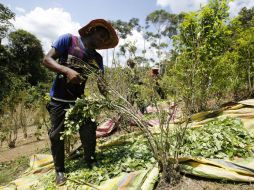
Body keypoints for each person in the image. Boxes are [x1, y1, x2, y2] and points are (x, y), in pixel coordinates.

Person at [43, 19, 118, 185]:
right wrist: (67, 70)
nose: (102, 40)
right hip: (59, 100)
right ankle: (60, 170)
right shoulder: (69, 40)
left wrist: (109, 99)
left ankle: (90, 159)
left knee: (89, 128)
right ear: (91, 31)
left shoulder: (97, 58)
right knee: (57, 136)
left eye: (105, 39)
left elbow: (101, 82)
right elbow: (47, 60)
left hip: (79, 102)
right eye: (101, 35)